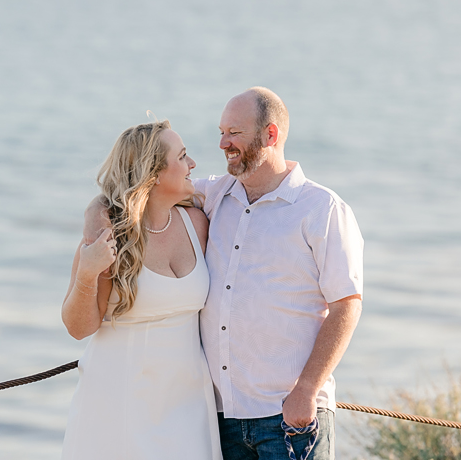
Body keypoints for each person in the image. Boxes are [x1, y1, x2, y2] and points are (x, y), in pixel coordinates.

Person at [84, 88, 363, 460]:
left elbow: (346, 305)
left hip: (289, 414)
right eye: (220, 132)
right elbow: (143, 188)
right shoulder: (216, 195)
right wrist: (96, 213)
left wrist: (308, 389)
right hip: (222, 418)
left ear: (270, 135)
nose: (222, 143)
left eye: (234, 132)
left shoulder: (322, 209)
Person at [61, 120, 222, 460]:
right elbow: (78, 328)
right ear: (154, 173)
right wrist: (88, 272)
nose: (193, 163)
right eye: (183, 156)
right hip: (118, 403)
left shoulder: (198, 224)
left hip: (188, 404)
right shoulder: (109, 236)